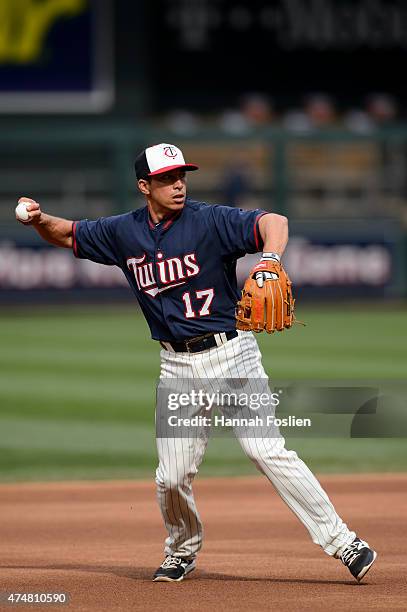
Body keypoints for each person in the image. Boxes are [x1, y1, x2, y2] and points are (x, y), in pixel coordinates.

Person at [16, 142, 377, 584]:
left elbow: (274, 222)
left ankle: (344, 542)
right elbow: (68, 233)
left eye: (182, 175)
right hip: (177, 366)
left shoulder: (209, 220)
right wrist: (38, 220)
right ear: (144, 186)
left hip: (232, 353)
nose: (179, 184)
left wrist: (268, 259)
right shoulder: (122, 232)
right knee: (171, 477)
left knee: (265, 450)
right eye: (167, 178)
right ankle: (182, 550)